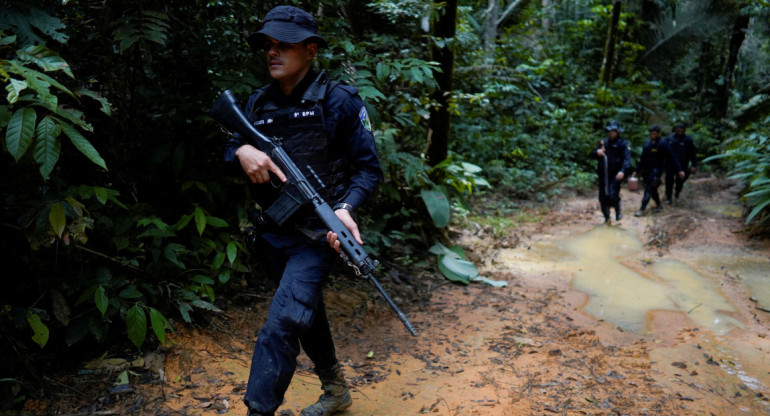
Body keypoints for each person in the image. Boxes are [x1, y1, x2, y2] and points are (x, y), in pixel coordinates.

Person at [223, 6, 383, 416]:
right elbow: (228, 144)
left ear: (310, 50)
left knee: (282, 323)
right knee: (302, 313)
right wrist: (241, 150)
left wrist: (346, 208)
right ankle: (336, 390)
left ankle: (258, 410)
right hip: (274, 233)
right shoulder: (256, 105)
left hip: (319, 236)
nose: (272, 53)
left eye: (284, 46)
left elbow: (368, 169)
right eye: (268, 45)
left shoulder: (339, 100)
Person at [631, 125, 684, 216]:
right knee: (652, 189)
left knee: (648, 188)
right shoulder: (647, 144)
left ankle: (642, 209)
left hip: (657, 170)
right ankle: (659, 205)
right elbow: (642, 159)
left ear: (658, 134)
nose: (653, 136)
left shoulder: (663, 144)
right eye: (651, 134)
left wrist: (680, 169)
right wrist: (636, 171)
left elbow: (672, 156)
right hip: (646, 170)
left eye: (655, 134)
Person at [590, 121, 631, 223]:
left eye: (614, 131)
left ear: (617, 132)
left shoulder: (623, 143)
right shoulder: (604, 143)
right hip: (604, 174)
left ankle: (617, 210)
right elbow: (591, 154)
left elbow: (627, 159)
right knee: (602, 197)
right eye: (610, 131)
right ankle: (607, 217)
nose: (612, 133)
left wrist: (622, 171)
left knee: (613, 193)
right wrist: (597, 152)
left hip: (616, 174)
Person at [663, 122, 697, 204]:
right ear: (676, 130)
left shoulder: (688, 140)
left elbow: (693, 153)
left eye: (682, 131)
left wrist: (693, 165)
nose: (680, 132)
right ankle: (668, 198)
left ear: (685, 130)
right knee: (669, 180)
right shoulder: (669, 138)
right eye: (679, 130)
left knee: (680, 180)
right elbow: (663, 151)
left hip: (683, 164)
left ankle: (677, 194)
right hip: (670, 164)